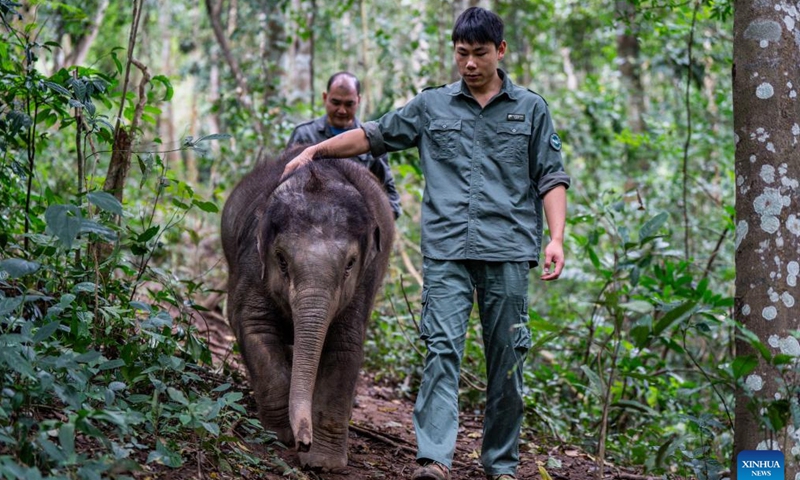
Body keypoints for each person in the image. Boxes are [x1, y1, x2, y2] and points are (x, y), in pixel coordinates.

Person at [283, 7, 569, 480]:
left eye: (480, 54)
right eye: (462, 54)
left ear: (500, 51)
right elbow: (374, 135)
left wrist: (556, 238)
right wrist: (316, 148)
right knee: (441, 352)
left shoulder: (531, 109)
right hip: (447, 251)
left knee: (507, 359)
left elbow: (551, 176)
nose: (470, 64)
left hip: (509, 251)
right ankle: (434, 459)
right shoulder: (431, 106)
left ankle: (501, 464)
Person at [287, 71, 402, 219]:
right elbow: (286, 183)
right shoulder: (305, 135)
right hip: (310, 224)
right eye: (335, 102)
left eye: (349, 104)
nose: (342, 110)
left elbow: (388, 192)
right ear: (324, 97)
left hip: (355, 226)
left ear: (358, 101)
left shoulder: (369, 138)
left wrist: (380, 220)